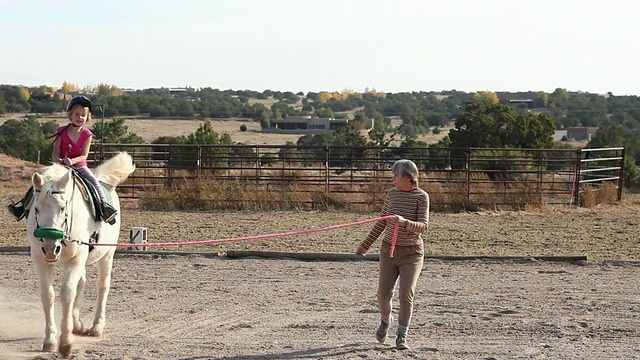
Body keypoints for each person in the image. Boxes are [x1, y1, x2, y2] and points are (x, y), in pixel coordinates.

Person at [7, 95, 117, 224]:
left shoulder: (87, 134)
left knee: (93, 181)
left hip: (79, 166)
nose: (80, 117)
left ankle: (104, 206)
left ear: (88, 117)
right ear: (70, 115)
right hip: (60, 166)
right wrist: (57, 160)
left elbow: (84, 155)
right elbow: (55, 151)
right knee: (40, 180)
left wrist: (72, 161)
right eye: (77, 114)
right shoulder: (61, 131)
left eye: (83, 115)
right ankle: (23, 206)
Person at [355, 159, 429, 350]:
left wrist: (404, 222)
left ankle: (402, 335)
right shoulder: (392, 194)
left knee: (406, 295)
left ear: (408, 177)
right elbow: (381, 222)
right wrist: (365, 245)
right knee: (383, 295)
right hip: (389, 250)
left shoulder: (421, 197)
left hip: (412, 253)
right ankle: (386, 320)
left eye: (396, 175)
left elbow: (423, 226)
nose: (393, 178)